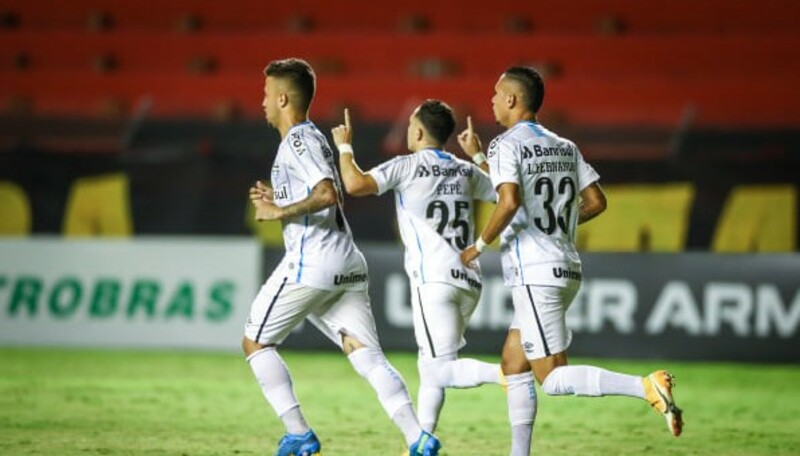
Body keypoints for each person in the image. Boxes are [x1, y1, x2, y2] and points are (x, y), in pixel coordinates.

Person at [457, 66, 683, 455]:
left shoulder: (506, 144)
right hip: (565, 267)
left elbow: (508, 199)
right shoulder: (565, 145)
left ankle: (645, 386)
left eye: (496, 94)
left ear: (512, 99)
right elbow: (596, 201)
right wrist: (477, 155)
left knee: (554, 379)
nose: (491, 100)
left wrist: (478, 244)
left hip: (534, 273)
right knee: (514, 362)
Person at [243, 57, 441, 456]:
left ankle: (298, 434)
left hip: (312, 262)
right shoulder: (307, 139)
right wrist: (277, 197)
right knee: (366, 354)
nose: (261, 102)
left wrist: (277, 212)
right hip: (345, 262)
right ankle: (418, 438)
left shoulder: (298, 140)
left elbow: (327, 193)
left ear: (282, 98)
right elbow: (318, 193)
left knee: (256, 343)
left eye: (266, 94)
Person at [330, 100, 502, 434]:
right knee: (431, 365)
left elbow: (354, 184)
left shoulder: (406, 166)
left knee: (440, 369)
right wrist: (478, 156)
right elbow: (506, 194)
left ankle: (507, 374)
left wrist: (344, 145)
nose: (408, 129)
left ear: (419, 131)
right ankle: (421, 442)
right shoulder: (465, 170)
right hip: (469, 281)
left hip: (434, 280)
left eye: (410, 124)